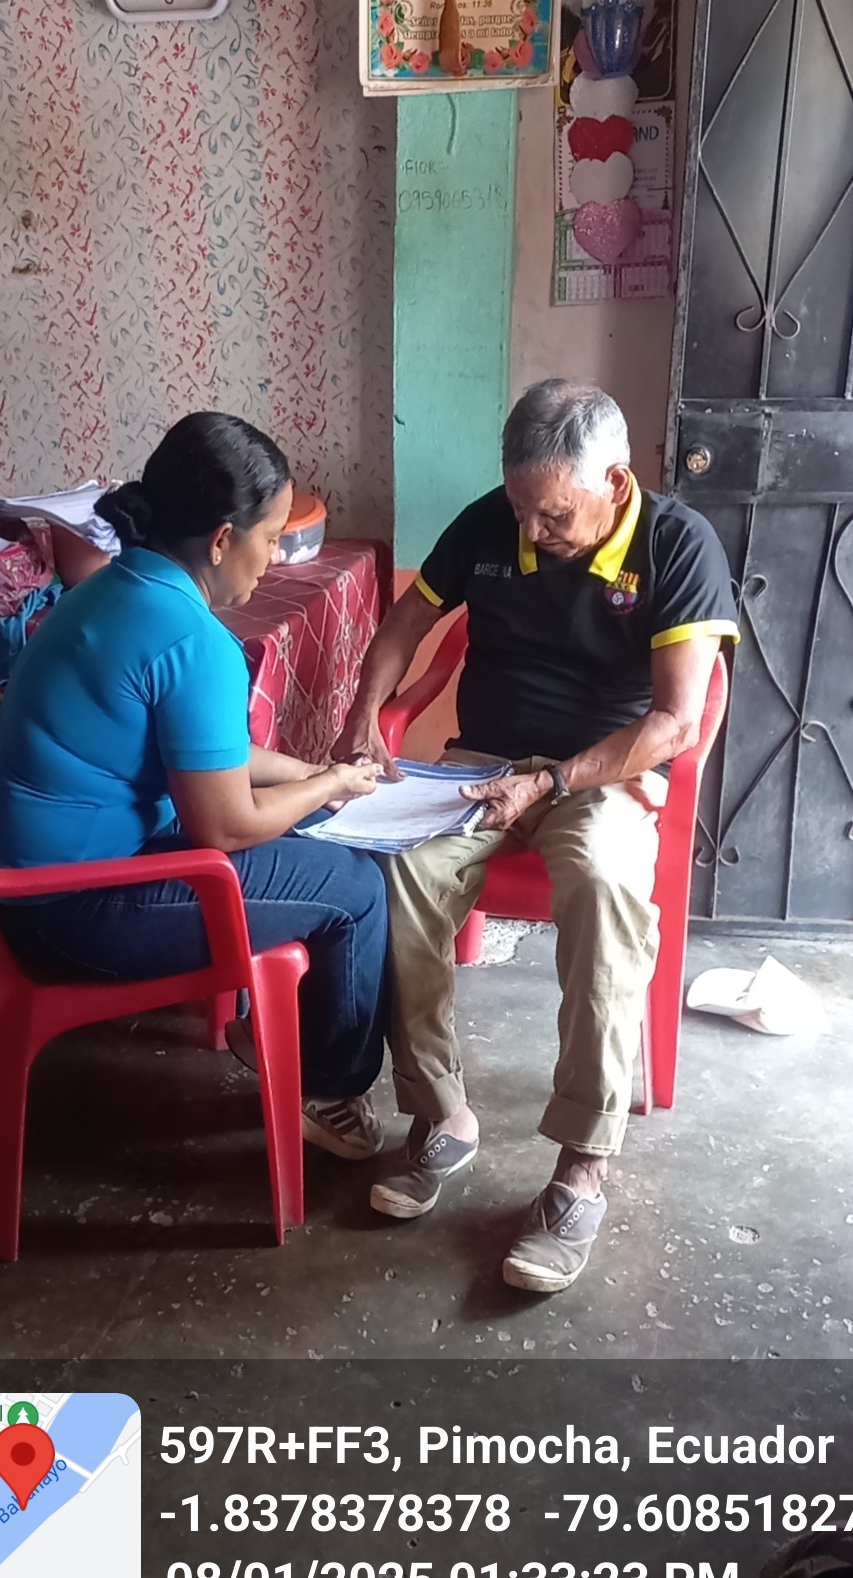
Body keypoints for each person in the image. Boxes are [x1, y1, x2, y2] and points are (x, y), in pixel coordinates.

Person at [335, 381, 739, 1290]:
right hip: (482, 767)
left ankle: (582, 1166)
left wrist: (552, 779)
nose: (532, 529)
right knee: (395, 875)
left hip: (603, 774)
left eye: (553, 514)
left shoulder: (677, 545)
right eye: (522, 507)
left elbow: (675, 722)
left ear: (614, 482)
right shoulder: (496, 518)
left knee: (602, 884)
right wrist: (366, 711)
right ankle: (441, 1115)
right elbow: (406, 621)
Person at [0, 412, 388, 1159]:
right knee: (357, 889)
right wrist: (328, 778)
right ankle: (330, 1088)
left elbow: (209, 754)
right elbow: (225, 826)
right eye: (272, 537)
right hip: (74, 914)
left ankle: (276, 1031)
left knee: (320, 823)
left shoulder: (115, 587)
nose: (275, 556)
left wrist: (310, 777)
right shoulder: (194, 641)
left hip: (34, 888)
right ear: (223, 539)